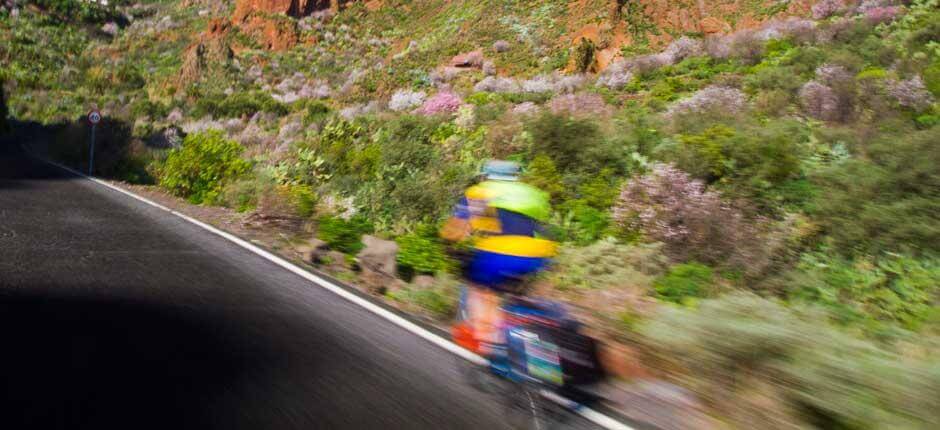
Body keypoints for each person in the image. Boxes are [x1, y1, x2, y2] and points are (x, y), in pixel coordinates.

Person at [443, 160, 556, 366]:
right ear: (516, 176)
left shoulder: (480, 191)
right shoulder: (532, 193)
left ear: (486, 175)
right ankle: (537, 352)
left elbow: (456, 228)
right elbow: (542, 227)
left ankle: (491, 343)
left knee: (480, 289)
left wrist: (448, 244)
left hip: (498, 253)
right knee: (518, 295)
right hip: (537, 254)